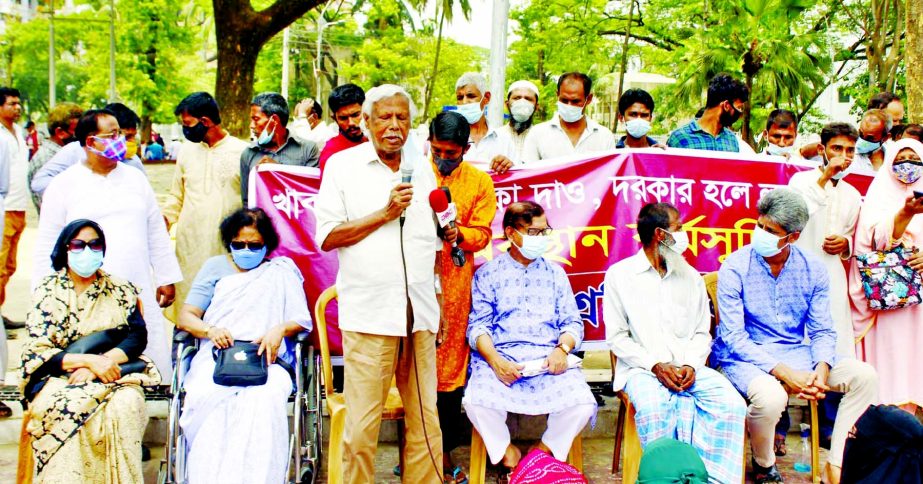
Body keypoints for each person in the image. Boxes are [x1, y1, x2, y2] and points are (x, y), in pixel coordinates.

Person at [314, 84, 444, 483]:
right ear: (366, 122)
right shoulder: (342, 166)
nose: (393, 126)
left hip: (418, 314)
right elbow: (328, 236)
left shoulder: (421, 165)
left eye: (401, 117)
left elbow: (428, 239)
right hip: (370, 317)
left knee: (426, 421)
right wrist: (384, 213)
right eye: (384, 117)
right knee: (362, 427)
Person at [713, 188, 878, 484]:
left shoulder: (812, 268)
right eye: (760, 225)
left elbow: (823, 329)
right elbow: (734, 338)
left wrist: (820, 370)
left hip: (796, 352)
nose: (760, 233)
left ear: (794, 236)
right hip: (744, 357)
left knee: (864, 376)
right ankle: (764, 462)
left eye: (770, 230)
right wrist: (787, 374)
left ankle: (837, 462)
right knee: (771, 397)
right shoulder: (735, 266)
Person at [605, 202, 746, 483]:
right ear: (660, 234)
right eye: (678, 229)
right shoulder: (620, 276)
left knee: (732, 405)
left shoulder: (691, 277)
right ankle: (662, 478)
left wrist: (690, 365)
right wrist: (655, 365)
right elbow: (618, 338)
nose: (684, 235)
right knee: (656, 408)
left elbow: (701, 332)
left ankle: (708, 478)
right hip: (641, 370)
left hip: (689, 369)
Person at [33, 109, 182, 374]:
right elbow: (47, 242)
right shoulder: (64, 185)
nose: (121, 140)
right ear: (90, 142)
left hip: (136, 282)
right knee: (93, 356)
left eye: (121, 134)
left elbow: (155, 231)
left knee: (148, 348)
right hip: (86, 288)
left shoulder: (135, 178)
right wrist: (43, 290)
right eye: (112, 135)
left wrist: (166, 276)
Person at [175, 208, 311, 483]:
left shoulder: (280, 271)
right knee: (209, 397)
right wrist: (209, 330)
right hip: (216, 358)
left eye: (254, 245)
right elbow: (186, 316)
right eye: (239, 245)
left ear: (267, 245)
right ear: (229, 243)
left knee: (264, 399)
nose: (246, 250)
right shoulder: (215, 268)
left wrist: (279, 329)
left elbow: (301, 319)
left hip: (267, 359)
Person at [20, 219, 161, 482]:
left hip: (115, 373)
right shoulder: (47, 290)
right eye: (79, 244)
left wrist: (101, 363)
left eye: (95, 244)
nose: (88, 250)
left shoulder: (120, 289)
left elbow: (136, 336)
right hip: (61, 375)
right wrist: (86, 363)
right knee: (65, 408)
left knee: (126, 406)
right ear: (65, 248)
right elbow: (36, 350)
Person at [463, 201, 596, 471]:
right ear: (511, 233)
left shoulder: (555, 274)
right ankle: (507, 453)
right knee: (476, 401)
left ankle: (541, 453)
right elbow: (478, 326)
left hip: (547, 359)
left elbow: (572, 322)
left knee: (583, 403)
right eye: (533, 233)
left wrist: (562, 349)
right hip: (502, 359)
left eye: (544, 232)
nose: (541, 239)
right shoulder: (488, 274)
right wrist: (495, 360)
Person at [428, 111, 496, 482]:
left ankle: (446, 449)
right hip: (414, 280)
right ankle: (418, 449)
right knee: (415, 367)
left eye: (451, 153)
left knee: (450, 371)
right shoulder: (414, 173)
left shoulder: (480, 183)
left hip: (455, 286)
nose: (442, 158)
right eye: (437, 150)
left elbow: (483, 235)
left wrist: (460, 234)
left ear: (466, 149)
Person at [848, 138, 923, 413]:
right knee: (891, 368)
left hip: (921, 310)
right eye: (902, 159)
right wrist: (905, 213)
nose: (909, 166)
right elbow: (874, 242)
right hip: (889, 305)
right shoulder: (878, 196)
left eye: (915, 161)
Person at [162, 92, 249, 324]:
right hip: (190, 247)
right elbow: (176, 196)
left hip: (226, 247)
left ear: (206, 121)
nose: (184, 129)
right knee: (188, 311)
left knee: (225, 311)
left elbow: (251, 202)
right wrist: (164, 221)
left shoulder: (242, 152)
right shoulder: (186, 151)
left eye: (187, 124)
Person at [788, 122, 860, 358]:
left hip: (832, 272)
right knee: (801, 330)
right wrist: (826, 175)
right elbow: (794, 217)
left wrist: (845, 243)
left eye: (850, 150)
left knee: (835, 326)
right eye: (837, 149)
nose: (844, 156)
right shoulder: (800, 181)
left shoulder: (853, 194)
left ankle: (834, 387)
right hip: (799, 269)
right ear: (822, 150)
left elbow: (851, 232)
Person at [30, 102, 147, 200]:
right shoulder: (73, 152)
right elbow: (39, 183)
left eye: (132, 136)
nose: (128, 142)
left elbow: (144, 196)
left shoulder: (133, 162)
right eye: (122, 136)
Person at [240, 92, 320, 206]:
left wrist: (277, 171)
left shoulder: (308, 150)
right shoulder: (248, 154)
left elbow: (311, 194)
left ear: (275, 120)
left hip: (295, 223)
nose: (251, 125)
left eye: (256, 119)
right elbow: (247, 202)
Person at [522, 72, 615, 161]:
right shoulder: (537, 134)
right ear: (557, 95)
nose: (569, 105)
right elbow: (528, 173)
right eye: (564, 100)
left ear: (589, 99)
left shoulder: (604, 137)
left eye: (575, 101)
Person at [0, 86, 22, 417]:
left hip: (13, 208)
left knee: (7, 270)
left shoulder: (15, 134)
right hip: (5, 211)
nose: (17, 108)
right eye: (12, 103)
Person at [667, 73, 750, 152]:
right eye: (738, 107)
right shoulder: (679, 138)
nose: (740, 115)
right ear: (726, 106)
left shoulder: (732, 140)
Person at [453, 72, 517, 174]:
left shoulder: (504, 140)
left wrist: (509, 166)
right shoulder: (447, 138)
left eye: (471, 96)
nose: (464, 102)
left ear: (486, 98)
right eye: (460, 98)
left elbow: (519, 177)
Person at [28, 103, 83, 212]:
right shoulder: (45, 160)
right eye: (77, 131)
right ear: (60, 132)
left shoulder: (69, 154)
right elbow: (49, 205)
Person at [318, 83, 367, 171]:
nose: (351, 123)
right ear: (334, 119)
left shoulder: (382, 142)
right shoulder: (331, 153)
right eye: (343, 118)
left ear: (366, 111)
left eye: (355, 115)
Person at [503, 80, 540, 161]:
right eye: (517, 98)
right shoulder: (495, 137)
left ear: (536, 107)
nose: (522, 102)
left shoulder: (542, 139)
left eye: (528, 99)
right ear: (507, 104)